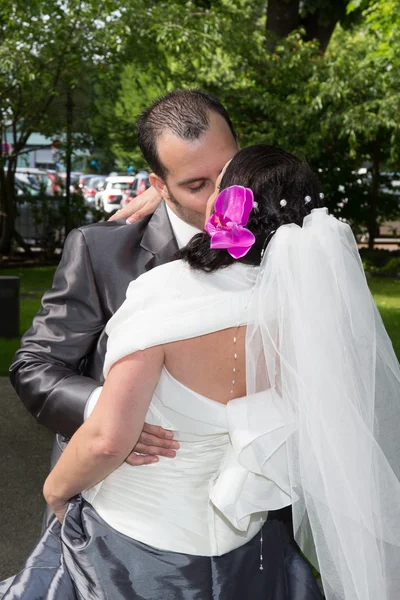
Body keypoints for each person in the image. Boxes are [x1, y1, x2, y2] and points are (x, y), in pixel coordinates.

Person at [4, 144, 400, 600]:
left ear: (226, 206)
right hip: (247, 547)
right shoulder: (312, 310)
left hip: (137, 544)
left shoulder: (167, 291)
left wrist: (56, 491)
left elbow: (108, 440)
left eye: (219, 183)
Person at [9, 89, 240, 509]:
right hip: (116, 502)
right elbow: (35, 366)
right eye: (195, 185)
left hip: (240, 505)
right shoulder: (101, 252)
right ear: (159, 185)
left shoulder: (282, 242)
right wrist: (105, 412)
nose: (218, 200)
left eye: (226, 173)